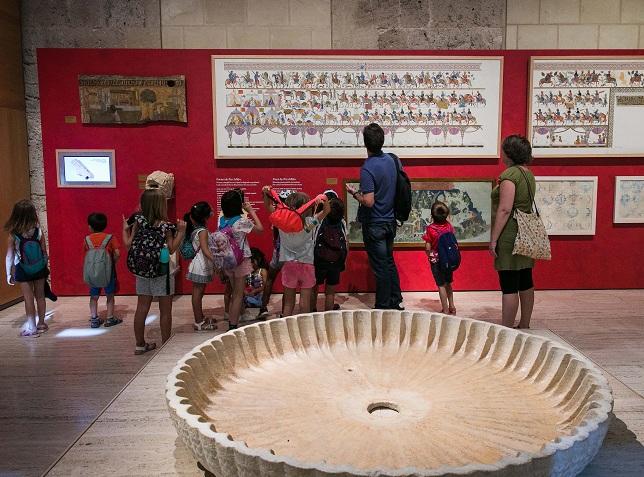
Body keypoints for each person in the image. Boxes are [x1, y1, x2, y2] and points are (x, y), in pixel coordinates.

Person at [346, 123, 403, 310]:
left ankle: (383, 306)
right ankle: (395, 301)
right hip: (390, 221)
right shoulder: (391, 160)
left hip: (375, 223)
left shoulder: (368, 168)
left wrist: (354, 193)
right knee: (389, 262)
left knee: (380, 268)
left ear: (365, 143)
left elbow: (369, 201)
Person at [123, 189, 186, 354]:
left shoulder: (137, 221)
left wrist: (125, 229)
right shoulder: (165, 226)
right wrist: (181, 232)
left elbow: (128, 244)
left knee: (142, 307)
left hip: (142, 270)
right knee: (165, 310)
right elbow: (172, 249)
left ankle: (139, 344)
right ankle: (166, 346)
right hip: (162, 271)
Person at [489, 135, 536, 329]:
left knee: (509, 283)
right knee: (525, 279)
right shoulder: (528, 174)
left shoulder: (510, 175)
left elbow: (505, 209)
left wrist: (493, 240)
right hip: (527, 232)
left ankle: (507, 329)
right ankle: (524, 323)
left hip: (510, 234)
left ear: (509, 153)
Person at [278, 191, 330, 316]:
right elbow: (326, 211)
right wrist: (324, 199)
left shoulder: (282, 224)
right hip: (307, 264)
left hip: (289, 264)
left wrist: (266, 194)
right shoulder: (308, 224)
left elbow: (269, 207)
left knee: (288, 303)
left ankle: (286, 328)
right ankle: (304, 329)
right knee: (304, 302)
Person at [218, 189, 263, 330]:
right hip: (241, 261)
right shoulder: (241, 222)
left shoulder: (222, 221)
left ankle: (241, 314)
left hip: (227, 260)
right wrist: (251, 210)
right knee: (238, 294)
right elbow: (260, 229)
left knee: (235, 291)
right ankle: (232, 325)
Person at [4, 200, 50, 336]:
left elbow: (9, 256)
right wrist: (44, 266)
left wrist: (8, 273)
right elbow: (44, 252)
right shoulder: (39, 232)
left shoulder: (13, 235)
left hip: (22, 268)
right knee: (40, 296)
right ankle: (41, 323)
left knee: (28, 299)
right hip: (39, 268)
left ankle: (32, 328)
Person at [257, 188, 293, 319]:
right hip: (290, 254)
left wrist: (265, 193)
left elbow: (267, 205)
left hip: (278, 253)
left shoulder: (277, 212)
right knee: (287, 284)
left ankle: (263, 308)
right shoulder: (296, 214)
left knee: (271, 279)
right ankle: (285, 313)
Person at [84, 212, 122, 328]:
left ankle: (94, 319)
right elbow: (117, 253)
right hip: (108, 272)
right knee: (110, 295)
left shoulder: (87, 239)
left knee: (94, 296)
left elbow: (86, 255)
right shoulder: (110, 238)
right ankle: (110, 318)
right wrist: (112, 262)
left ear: (90, 226)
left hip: (93, 272)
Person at [184, 201, 216, 332]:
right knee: (197, 294)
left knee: (199, 293)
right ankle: (199, 322)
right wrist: (217, 261)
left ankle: (200, 318)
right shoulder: (202, 231)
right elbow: (205, 249)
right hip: (200, 266)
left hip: (200, 264)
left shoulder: (197, 229)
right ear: (205, 217)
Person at [311, 195, 347, 312]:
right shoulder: (342, 222)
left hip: (319, 260)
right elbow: (346, 243)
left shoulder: (319, 219)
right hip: (336, 260)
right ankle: (328, 312)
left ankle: (312, 310)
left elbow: (312, 237)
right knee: (330, 290)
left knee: (314, 287)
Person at [422, 202, 456, 315]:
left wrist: (429, 255)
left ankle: (445, 310)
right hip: (449, 260)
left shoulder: (430, 229)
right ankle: (452, 306)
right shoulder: (449, 226)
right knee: (448, 283)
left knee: (441, 285)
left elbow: (427, 247)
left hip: (437, 260)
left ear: (432, 215)